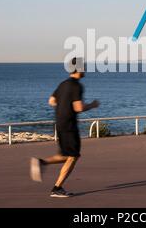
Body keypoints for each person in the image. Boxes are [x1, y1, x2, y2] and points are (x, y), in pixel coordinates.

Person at [30, 57, 99, 197]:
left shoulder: (62, 84)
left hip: (60, 124)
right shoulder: (77, 86)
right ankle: (57, 188)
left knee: (65, 155)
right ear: (78, 69)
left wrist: (63, 107)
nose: (85, 69)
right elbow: (78, 108)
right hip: (69, 125)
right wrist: (92, 105)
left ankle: (41, 162)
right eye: (83, 67)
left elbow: (51, 100)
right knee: (73, 156)